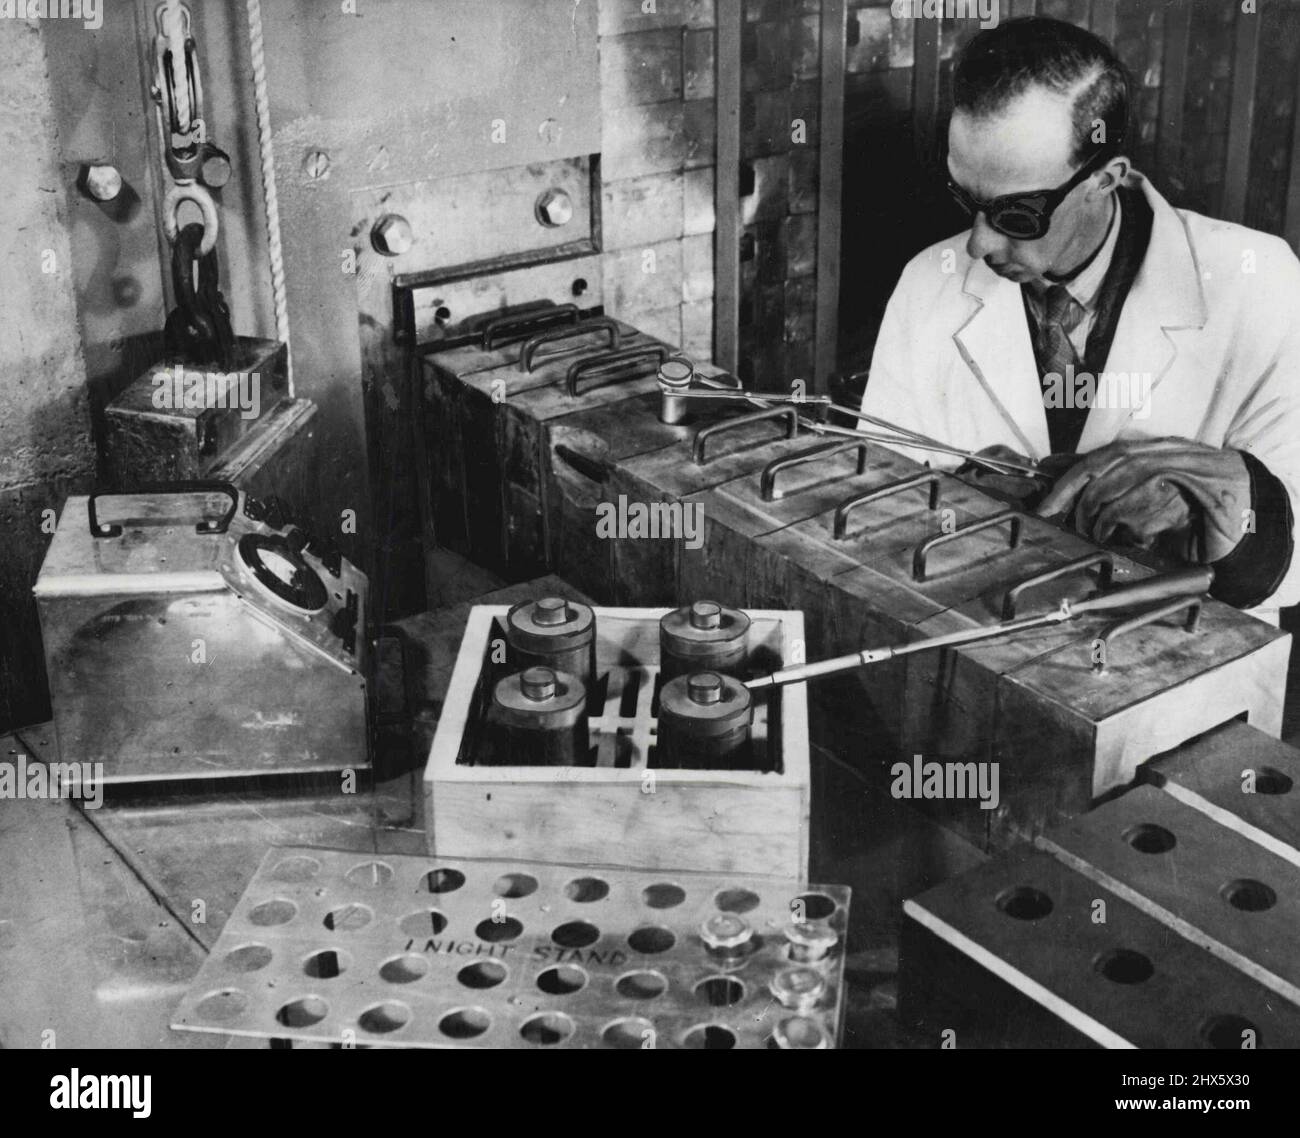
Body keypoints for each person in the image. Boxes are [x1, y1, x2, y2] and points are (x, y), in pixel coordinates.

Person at [860, 16, 1299, 615]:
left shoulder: (1260, 281)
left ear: (1106, 179)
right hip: (981, 646)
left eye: (1017, 215)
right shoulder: (927, 284)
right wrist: (964, 502)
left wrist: (1234, 508)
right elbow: (876, 508)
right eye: (966, 200)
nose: (978, 247)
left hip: (1172, 670)